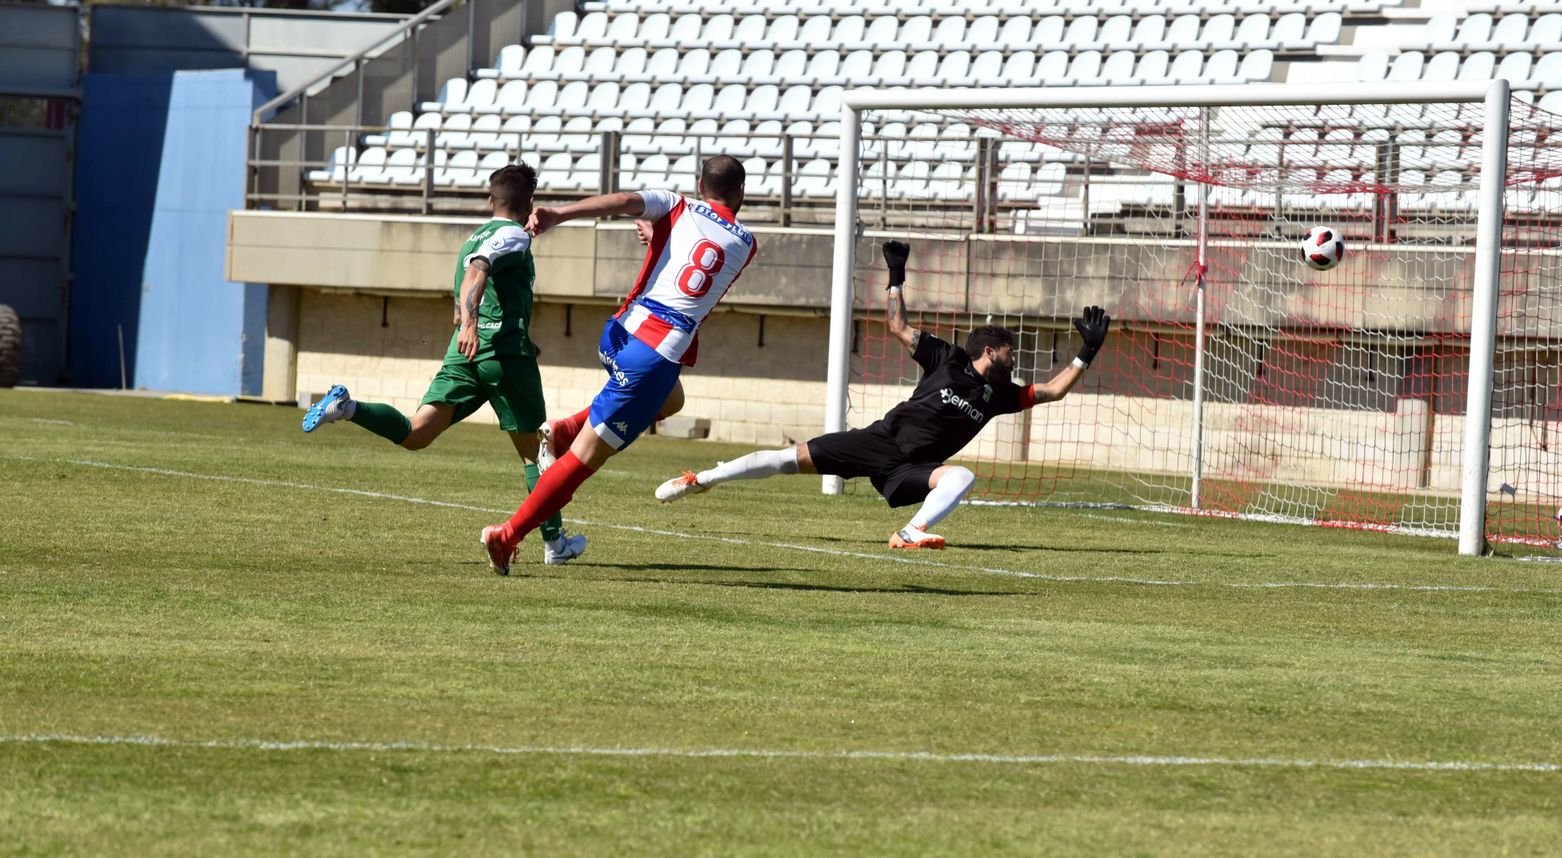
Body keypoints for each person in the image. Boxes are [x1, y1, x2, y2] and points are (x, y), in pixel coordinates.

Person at [653, 240, 1110, 549]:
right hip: (878, 441)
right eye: (1010, 352)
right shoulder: (946, 358)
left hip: (912, 470)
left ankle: (911, 534)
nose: (1016, 359)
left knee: (962, 477)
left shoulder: (998, 394)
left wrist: (1085, 353)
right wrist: (895, 274)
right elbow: (898, 326)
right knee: (785, 459)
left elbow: (1051, 391)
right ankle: (702, 479)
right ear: (990, 350)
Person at [479, 155, 757, 575]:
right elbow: (702, 256)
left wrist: (559, 214)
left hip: (620, 333)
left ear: (700, 185)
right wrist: (660, 234)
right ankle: (508, 535)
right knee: (580, 463)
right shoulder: (746, 243)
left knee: (672, 400)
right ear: (741, 194)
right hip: (654, 353)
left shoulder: (675, 205)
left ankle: (565, 429)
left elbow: (623, 200)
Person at [299, 161, 585, 565]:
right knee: (538, 452)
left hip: (464, 355)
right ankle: (555, 544)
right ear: (530, 203)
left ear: (490, 199)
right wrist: (473, 323)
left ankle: (347, 408)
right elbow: (479, 272)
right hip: (501, 357)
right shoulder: (513, 235)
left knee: (416, 434)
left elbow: (472, 281)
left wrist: (469, 323)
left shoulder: (472, 237)